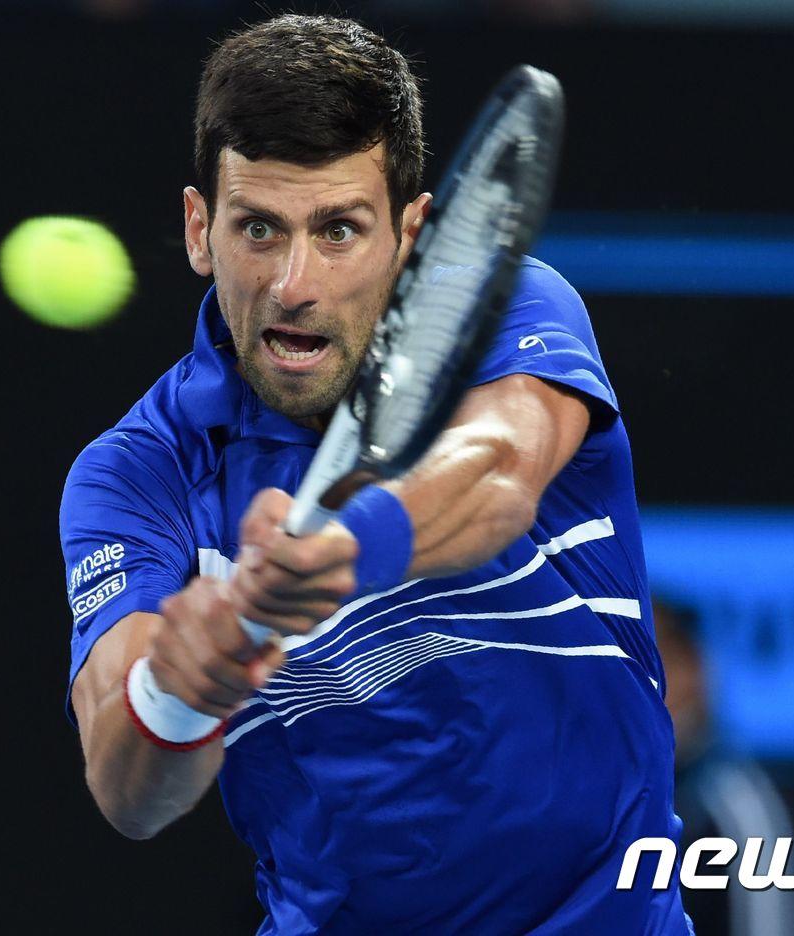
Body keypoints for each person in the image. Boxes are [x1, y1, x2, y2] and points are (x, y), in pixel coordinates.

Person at [61, 14, 690, 933]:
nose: (293, 285)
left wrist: (348, 551)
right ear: (200, 230)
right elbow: (129, 793)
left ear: (412, 233)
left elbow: (500, 469)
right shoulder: (137, 476)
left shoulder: (506, 307)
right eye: (260, 229)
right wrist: (179, 690)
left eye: (340, 230)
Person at [655, 598, 794, 936]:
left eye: (652, 662)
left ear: (694, 669)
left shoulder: (738, 808)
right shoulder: (590, 796)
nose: (635, 686)